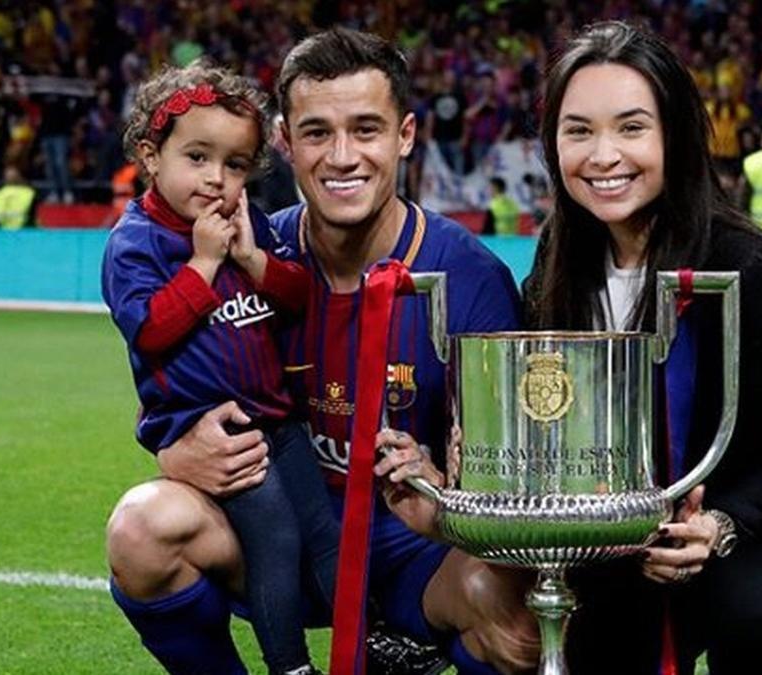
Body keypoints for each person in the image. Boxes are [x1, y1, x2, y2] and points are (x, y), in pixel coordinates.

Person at [105, 28, 539, 675]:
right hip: (276, 536)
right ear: (283, 142)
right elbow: (176, 376)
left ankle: (402, 637)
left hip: (413, 547)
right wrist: (178, 449)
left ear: (406, 135)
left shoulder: (469, 276)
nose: (342, 156)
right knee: (142, 527)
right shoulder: (249, 253)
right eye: (316, 133)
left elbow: (515, 482)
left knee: (515, 623)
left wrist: (444, 495)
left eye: (366, 129)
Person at [524, 21, 762, 674]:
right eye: (578, 130)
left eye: (630, 127)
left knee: (758, 611)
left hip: (744, 526)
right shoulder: (555, 258)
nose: (602, 155)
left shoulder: (749, 265)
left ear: (675, 136)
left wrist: (718, 526)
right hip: (614, 535)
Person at [101, 61, 337, 675]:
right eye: (198, 157)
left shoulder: (248, 221)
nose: (217, 180)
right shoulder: (135, 243)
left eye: (235, 165)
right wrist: (204, 265)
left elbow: (298, 298)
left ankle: (369, 647)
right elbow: (151, 330)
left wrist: (253, 259)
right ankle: (291, 666)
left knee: (329, 534)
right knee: (276, 542)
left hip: (278, 421)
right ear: (152, 156)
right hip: (215, 431)